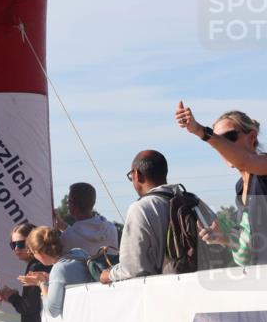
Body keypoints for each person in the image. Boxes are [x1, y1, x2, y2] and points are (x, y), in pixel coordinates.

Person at [176, 103, 267, 266]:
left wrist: (200, 131)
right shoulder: (240, 187)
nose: (222, 146)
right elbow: (253, 248)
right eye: (219, 141)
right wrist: (225, 238)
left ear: (252, 137)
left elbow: (246, 161)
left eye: (229, 138)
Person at [98, 150, 209, 283]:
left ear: (137, 175)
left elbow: (132, 268)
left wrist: (108, 275)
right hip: (201, 285)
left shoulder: (141, 208)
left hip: (163, 292)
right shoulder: (195, 202)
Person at [20, 226, 94, 317]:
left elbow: (52, 311)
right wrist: (49, 278)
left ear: (40, 253)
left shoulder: (58, 269)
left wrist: (42, 283)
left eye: (32, 253)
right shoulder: (79, 252)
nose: (34, 257)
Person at [54, 183, 119, 256]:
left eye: (69, 200)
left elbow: (55, 260)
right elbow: (84, 235)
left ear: (73, 206)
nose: (67, 203)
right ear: (93, 202)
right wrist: (66, 228)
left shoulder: (67, 238)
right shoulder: (111, 229)